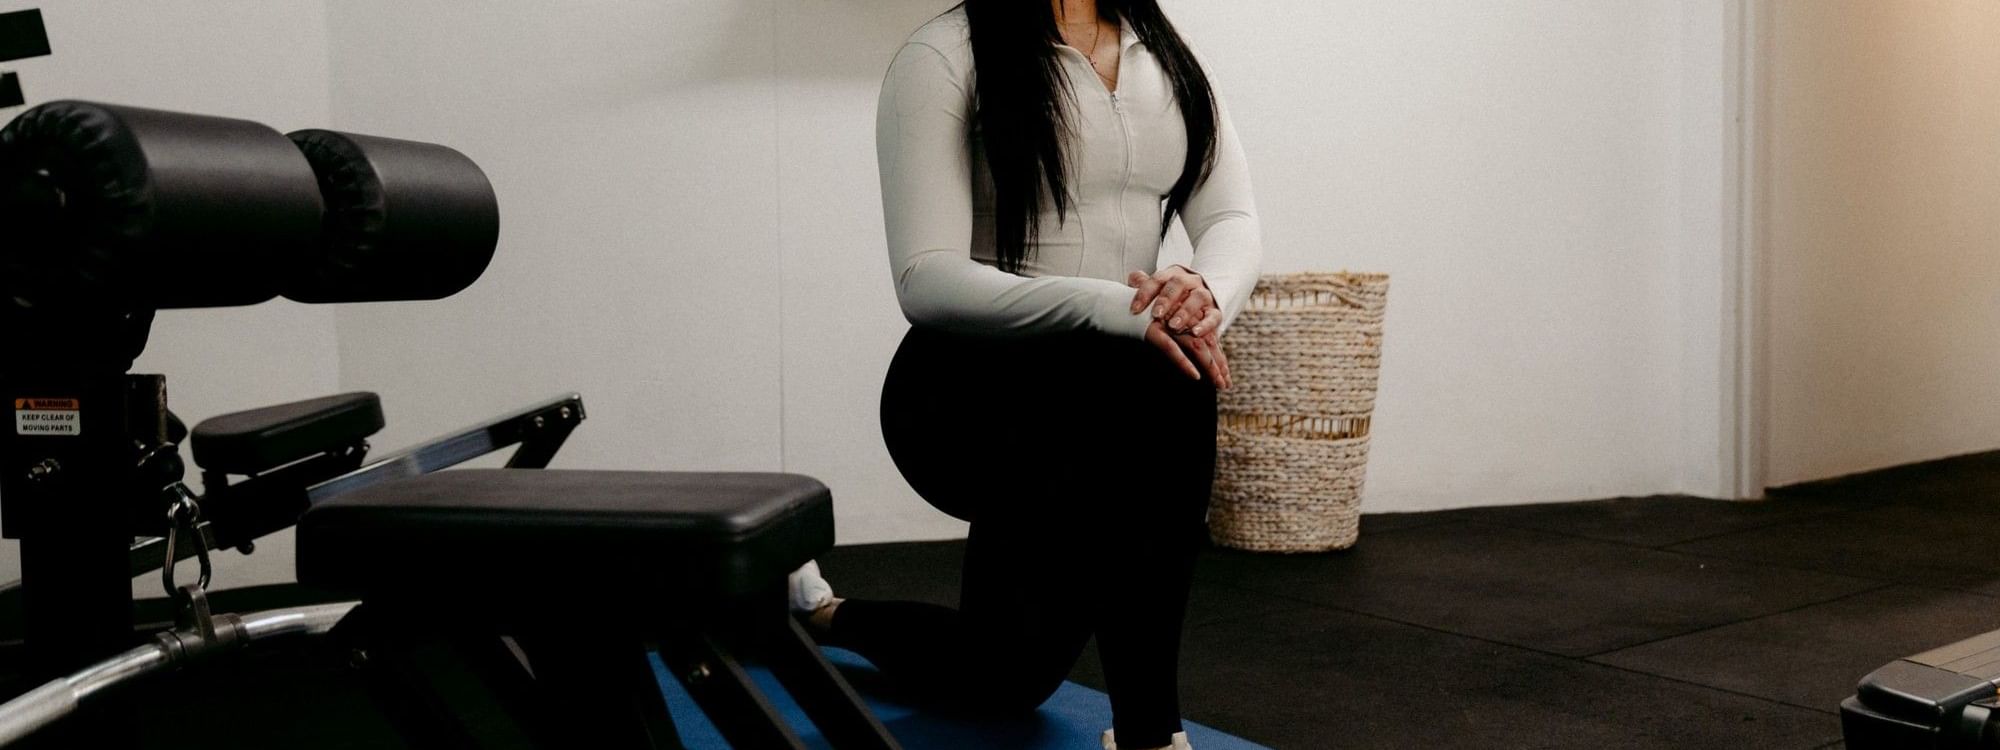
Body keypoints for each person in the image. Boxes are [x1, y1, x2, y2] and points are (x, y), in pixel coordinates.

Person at [792, 1, 1262, 748]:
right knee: (1164, 379)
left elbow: (1231, 216)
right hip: (969, 393)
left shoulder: (1164, 55)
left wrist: (1202, 295)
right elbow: (925, 277)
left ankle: (815, 612)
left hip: (1115, 405)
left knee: (1002, 676)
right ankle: (1151, 733)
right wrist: (1116, 307)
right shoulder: (945, 55)